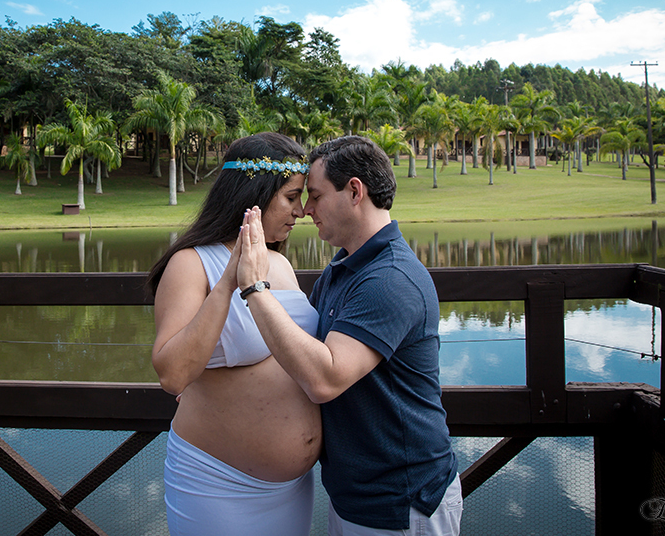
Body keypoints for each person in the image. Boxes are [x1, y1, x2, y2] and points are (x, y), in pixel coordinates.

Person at [237, 135, 462, 536]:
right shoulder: (342, 269)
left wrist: (255, 287)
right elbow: (296, 352)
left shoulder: (390, 279)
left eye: (316, 195)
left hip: (401, 503)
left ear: (355, 191)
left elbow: (324, 378)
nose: (306, 210)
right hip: (354, 497)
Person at [149, 132, 320, 536]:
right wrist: (229, 282)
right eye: (291, 197)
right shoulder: (190, 264)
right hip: (216, 484)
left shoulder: (279, 263)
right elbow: (173, 375)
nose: (301, 211)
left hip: (292, 488)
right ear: (255, 195)